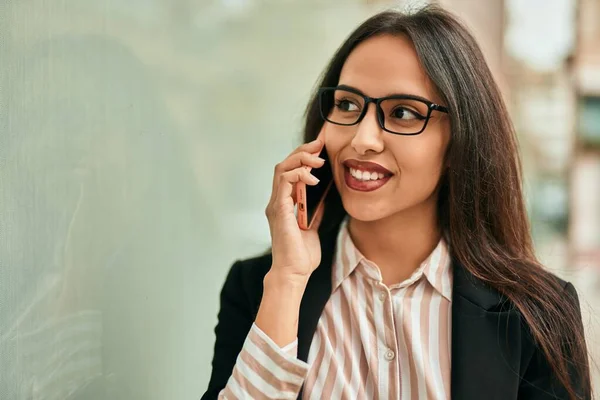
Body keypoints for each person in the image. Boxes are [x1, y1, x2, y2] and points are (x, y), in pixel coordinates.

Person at [202, 5, 591, 400]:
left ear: (459, 138)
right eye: (348, 105)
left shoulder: (538, 315)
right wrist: (287, 283)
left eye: (402, 112)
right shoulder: (259, 288)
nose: (362, 139)